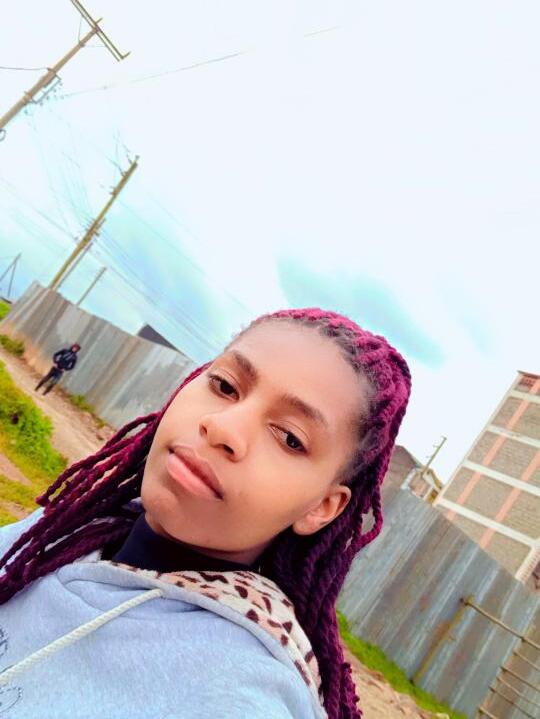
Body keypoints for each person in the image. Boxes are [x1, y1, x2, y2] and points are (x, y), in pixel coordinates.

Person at [0, 308, 411, 719]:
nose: (222, 427)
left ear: (321, 507)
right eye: (225, 385)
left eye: (289, 438)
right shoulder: (64, 535)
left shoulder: (239, 695)